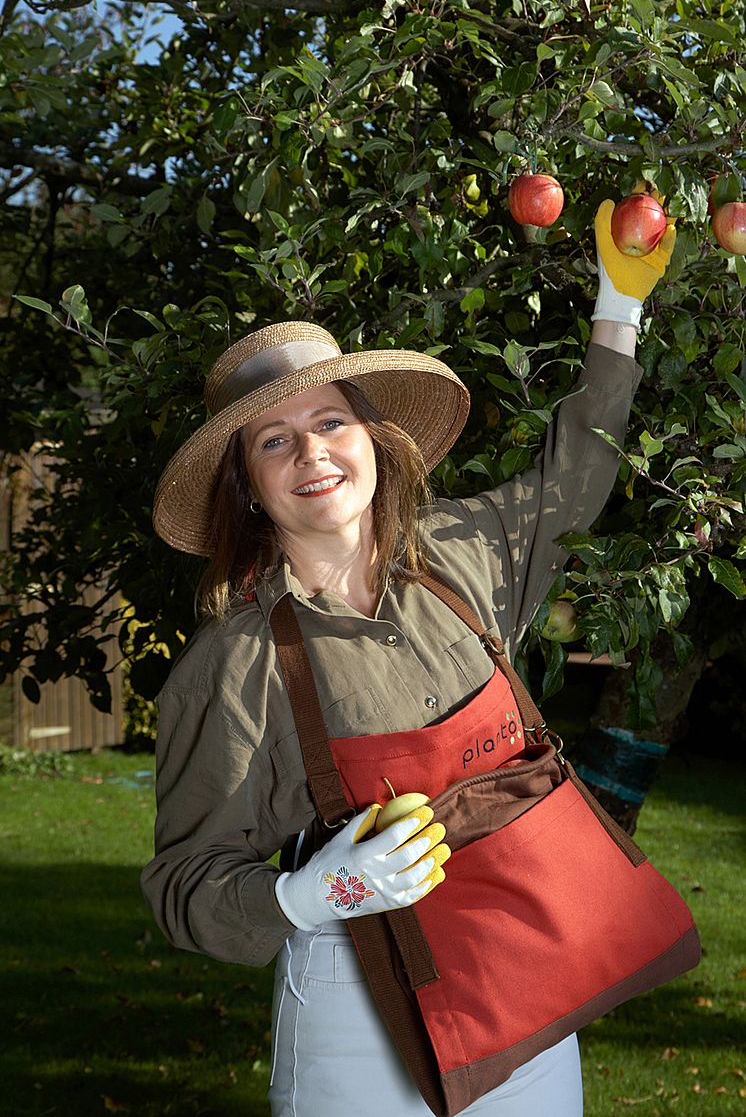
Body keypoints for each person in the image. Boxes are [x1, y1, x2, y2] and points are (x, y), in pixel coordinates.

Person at [141, 202, 675, 1117]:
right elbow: (184, 886)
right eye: (275, 440)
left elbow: (576, 476)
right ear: (250, 485)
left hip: (534, 978)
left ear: (374, 441)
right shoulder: (234, 667)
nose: (312, 450)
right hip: (361, 1006)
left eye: (332, 421)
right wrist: (312, 894)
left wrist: (618, 306)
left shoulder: (465, 553)